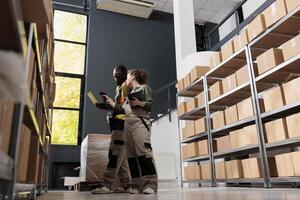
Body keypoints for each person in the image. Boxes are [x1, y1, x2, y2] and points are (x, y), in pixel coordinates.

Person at [105, 69, 158, 195]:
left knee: (144, 154)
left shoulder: (144, 88)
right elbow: (123, 110)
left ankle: (150, 184)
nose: (126, 80)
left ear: (133, 77)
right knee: (132, 157)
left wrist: (140, 103)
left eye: (128, 77)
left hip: (140, 123)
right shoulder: (129, 94)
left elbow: (150, 105)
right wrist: (111, 103)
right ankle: (136, 185)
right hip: (128, 125)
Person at [92, 65, 131, 194]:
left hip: (122, 125)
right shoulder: (118, 88)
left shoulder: (127, 87)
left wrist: (111, 105)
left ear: (125, 75)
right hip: (117, 125)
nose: (116, 79)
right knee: (122, 157)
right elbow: (116, 106)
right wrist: (103, 105)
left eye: (118, 76)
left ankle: (107, 184)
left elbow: (123, 108)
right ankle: (126, 185)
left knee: (114, 155)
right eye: (114, 77)